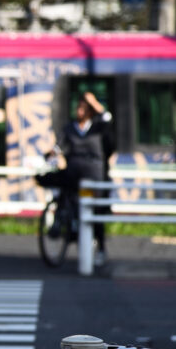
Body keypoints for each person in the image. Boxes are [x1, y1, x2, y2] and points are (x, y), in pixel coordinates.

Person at [44, 91, 116, 266]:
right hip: (74, 172)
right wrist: (51, 153)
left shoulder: (98, 126)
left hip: (94, 175)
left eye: (84, 109)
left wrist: (94, 102)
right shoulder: (70, 128)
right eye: (78, 108)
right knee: (63, 189)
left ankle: (100, 248)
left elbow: (107, 118)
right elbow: (60, 144)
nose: (79, 112)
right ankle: (61, 221)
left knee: (95, 212)